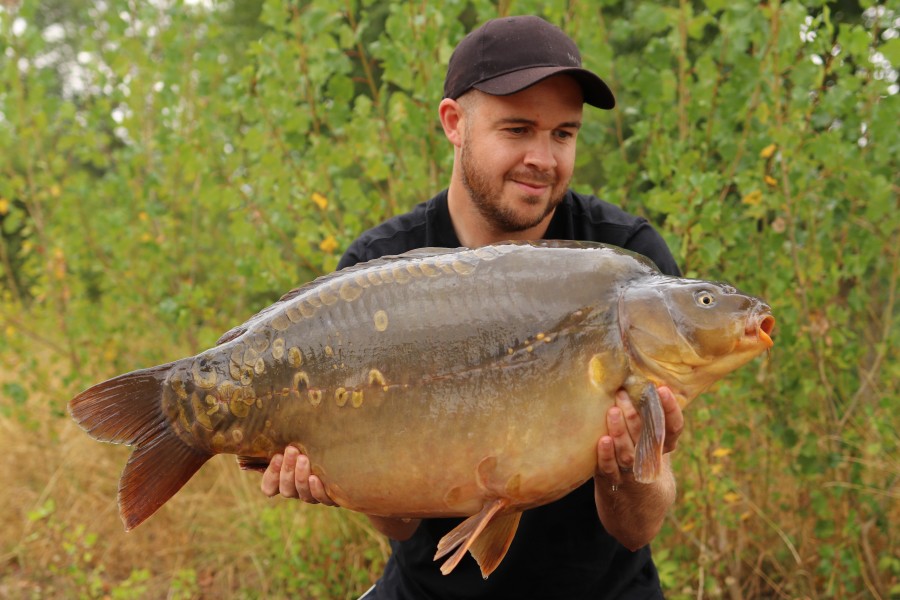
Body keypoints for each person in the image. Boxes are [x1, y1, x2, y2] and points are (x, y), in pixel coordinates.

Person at [261, 15, 685, 599]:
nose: (544, 157)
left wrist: (628, 467)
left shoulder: (626, 266)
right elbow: (400, 523)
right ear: (454, 123)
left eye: (564, 134)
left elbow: (639, 527)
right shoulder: (380, 270)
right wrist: (338, 481)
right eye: (517, 130)